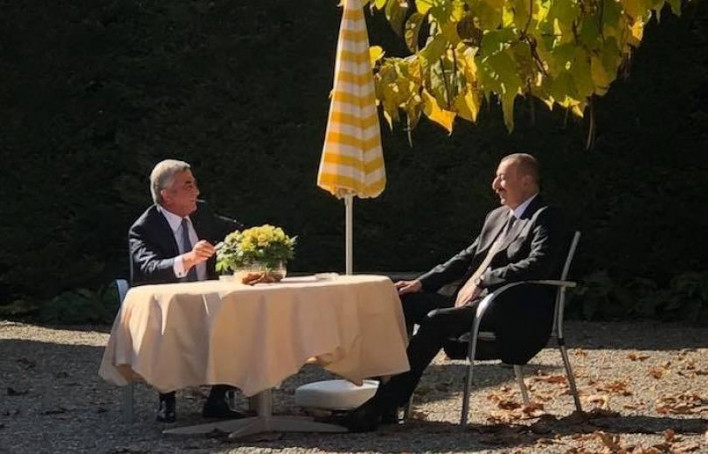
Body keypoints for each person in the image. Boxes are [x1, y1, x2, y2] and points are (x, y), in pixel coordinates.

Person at [343, 153, 567, 432]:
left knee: (437, 319)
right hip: (471, 301)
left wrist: (484, 280)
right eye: (496, 176)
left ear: (526, 181)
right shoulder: (497, 216)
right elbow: (465, 257)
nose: (495, 184)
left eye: (502, 178)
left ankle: (382, 406)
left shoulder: (546, 217)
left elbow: (539, 264)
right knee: (401, 301)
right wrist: (422, 283)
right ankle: (380, 392)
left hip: (508, 309)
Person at [129, 159, 245, 423]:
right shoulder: (144, 228)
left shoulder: (202, 212)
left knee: (246, 321)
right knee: (169, 326)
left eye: (194, 183)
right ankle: (166, 398)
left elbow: (238, 231)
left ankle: (218, 399)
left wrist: (259, 241)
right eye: (188, 185)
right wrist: (187, 259)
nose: (197, 191)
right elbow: (149, 268)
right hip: (169, 308)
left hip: (214, 302)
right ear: (167, 195)